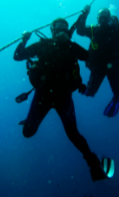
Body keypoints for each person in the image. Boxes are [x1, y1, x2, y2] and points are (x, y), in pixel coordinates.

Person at [13, 18, 111, 181]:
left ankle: (94, 164)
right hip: (42, 95)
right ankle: (30, 121)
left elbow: (88, 56)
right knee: (27, 132)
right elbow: (18, 56)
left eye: (64, 30)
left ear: (67, 32)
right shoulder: (43, 45)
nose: (60, 32)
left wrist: (70, 43)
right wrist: (24, 40)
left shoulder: (70, 47)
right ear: (52, 31)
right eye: (58, 29)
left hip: (63, 97)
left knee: (73, 134)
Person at [77, 5, 119, 117]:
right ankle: (86, 89)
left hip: (113, 66)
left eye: (105, 18)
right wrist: (84, 14)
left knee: (117, 92)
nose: (103, 20)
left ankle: (116, 101)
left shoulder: (115, 28)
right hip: (98, 67)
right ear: (97, 18)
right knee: (90, 92)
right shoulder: (93, 30)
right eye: (101, 18)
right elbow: (80, 30)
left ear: (109, 18)